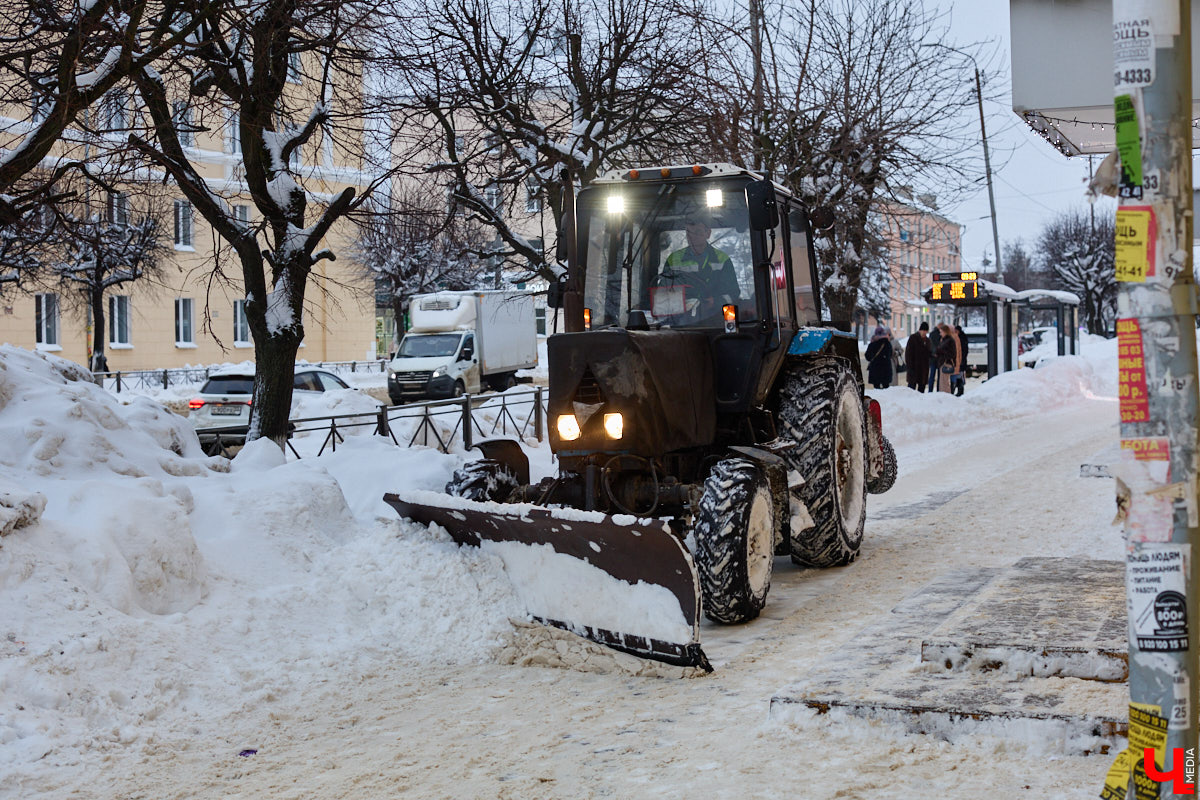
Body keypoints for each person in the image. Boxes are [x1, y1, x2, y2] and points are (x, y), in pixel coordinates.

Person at [663, 213, 740, 319]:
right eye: (688, 232)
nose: (692, 237)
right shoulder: (673, 260)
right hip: (681, 321)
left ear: (708, 233)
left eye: (697, 232)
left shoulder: (722, 260)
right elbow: (663, 294)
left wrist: (715, 301)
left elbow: (733, 294)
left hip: (716, 319)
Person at [865, 325, 893, 389]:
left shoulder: (872, 344)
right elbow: (890, 354)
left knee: (876, 388)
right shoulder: (887, 343)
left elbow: (867, 356)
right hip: (886, 369)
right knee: (886, 388)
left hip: (875, 369)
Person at [905, 322, 930, 392]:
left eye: (926, 331)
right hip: (913, 367)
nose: (924, 333)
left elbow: (928, 353)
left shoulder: (927, 340)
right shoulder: (913, 338)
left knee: (921, 389)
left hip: (923, 369)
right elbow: (908, 353)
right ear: (920, 330)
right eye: (923, 331)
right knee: (911, 389)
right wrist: (909, 366)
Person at [934, 323, 958, 393]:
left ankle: (946, 396)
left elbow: (953, 353)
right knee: (942, 382)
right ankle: (944, 395)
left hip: (946, 363)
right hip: (942, 363)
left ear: (945, 332)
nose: (940, 334)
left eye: (941, 332)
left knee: (944, 383)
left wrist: (941, 352)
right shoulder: (944, 340)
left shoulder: (949, 340)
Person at [952, 324, 968, 397]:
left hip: (961, 361)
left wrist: (961, 360)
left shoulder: (961, 338)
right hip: (960, 361)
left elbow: (963, 351)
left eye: (956, 331)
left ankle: (960, 390)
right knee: (958, 376)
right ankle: (959, 390)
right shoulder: (962, 337)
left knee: (960, 376)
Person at [926, 322, 941, 392]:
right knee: (939, 376)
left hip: (932, 357)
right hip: (938, 357)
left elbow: (930, 345)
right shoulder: (941, 334)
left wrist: (933, 353)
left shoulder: (932, 334)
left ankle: (930, 390)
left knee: (932, 375)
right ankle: (938, 390)